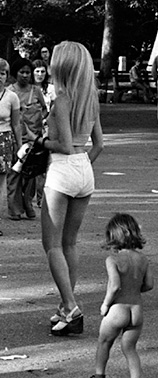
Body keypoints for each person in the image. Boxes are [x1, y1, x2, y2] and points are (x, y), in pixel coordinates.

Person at [39, 41, 104, 336]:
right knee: (70, 243)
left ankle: (71, 305)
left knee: (52, 244)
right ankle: (66, 307)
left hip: (63, 167)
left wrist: (41, 143)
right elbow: (100, 144)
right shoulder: (91, 97)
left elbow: (62, 144)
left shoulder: (62, 99)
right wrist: (82, 165)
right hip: (84, 169)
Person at [88, 213, 154, 378]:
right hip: (136, 309)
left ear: (113, 236)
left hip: (118, 309)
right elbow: (149, 284)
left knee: (104, 342)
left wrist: (105, 304)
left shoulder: (112, 260)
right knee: (129, 347)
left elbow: (115, 285)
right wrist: (133, 288)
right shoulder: (143, 259)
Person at [7, 58, 47, 220]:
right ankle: (14, 209)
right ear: (15, 74)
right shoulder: (9, 92)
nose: (25, 75)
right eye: (21, 72)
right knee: (14, 174)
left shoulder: (36, 91)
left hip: (34, 139)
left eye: (27, 72)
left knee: (30, 174)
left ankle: (27, 203)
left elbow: (44, 110)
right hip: (16, 139)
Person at [0, 58, 22, 236]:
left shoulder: (11, 97)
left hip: (4, 140)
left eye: (2, 74)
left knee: (1, 184)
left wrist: (19, 147)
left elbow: (16, 124)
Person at [32, 59, 56, 207]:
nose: (40, 74)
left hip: (47, 129)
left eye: (42, 71)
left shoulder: (51, 89)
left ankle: (42, 198)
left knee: (45, 164)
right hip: (31, 129)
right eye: (37, 71)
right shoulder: (29, 90)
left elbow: (53, 110)